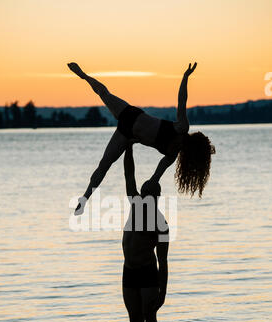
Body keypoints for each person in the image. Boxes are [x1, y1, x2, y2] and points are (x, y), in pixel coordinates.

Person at [67, 61, 215, 215]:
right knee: (104, 93)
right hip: (131, 116)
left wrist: (148, 198)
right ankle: (82, 74)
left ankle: (84, 200)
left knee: (104, 165)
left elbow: (155, 178)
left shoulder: (171, 155)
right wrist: (185, 77)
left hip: (127, 136)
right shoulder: (182, 128)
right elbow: (182, 101)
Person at [121, 144, 169, 322]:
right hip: (128, 272)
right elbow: (129, 174)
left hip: (148, 273)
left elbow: (164, 261)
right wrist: (127, 146)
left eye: (149, 194)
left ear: (156, 197)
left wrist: (163, 293)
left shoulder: (161, 224)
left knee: (149, 319)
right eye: (143, 192)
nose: (144, 196)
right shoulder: (135, 204)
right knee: (134, 321)